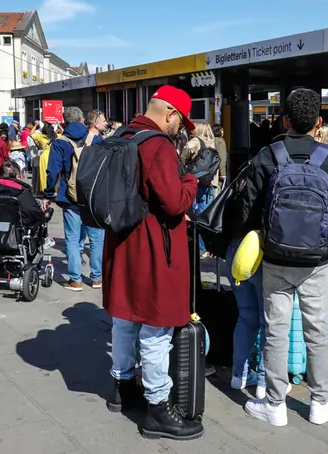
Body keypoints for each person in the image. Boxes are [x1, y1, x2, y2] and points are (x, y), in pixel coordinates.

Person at [237, 88, 328, 427]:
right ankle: (320, 401)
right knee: (317, 330)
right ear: (319, 122)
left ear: (285, 120)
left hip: (276, 258)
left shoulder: (267, 155)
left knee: (276, 330)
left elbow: (246, 212)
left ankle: (275, 405)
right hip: (319, 261)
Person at [101, 85, 201, 440]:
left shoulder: (121, 135)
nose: (181, 128)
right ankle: (158, 408)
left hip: (121, 243)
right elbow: (174, 203)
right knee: (156, 330)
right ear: (170, 113)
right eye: (181, 121)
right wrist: (191, 180)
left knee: (125, 319)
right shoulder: (157, 144)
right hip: (152, 248)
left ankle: (122, 388)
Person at [45, 107, 105, 291]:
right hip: (92, 196)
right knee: (96, 238)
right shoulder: (96, 140)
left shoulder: (59, 143)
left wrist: (49, 193)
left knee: (72, 238)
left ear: (64, 121)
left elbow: (52, 171)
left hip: (70, 196)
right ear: (81, 120)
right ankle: (97, 278)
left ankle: (75, 279)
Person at [182, 122, 219, 257]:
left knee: (190, 215)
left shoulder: (195, 141)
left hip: (195, 181)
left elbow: (184, 154)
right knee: (204, 216)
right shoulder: (212, 142)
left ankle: (193, 245)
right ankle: (205, 248)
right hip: (209, 184)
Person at [0, 161, 45, 229]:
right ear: (17, 176)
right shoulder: (21, 190)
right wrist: (42, 214)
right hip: (16, 228)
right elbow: (32, 211)